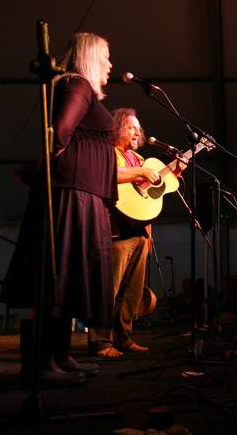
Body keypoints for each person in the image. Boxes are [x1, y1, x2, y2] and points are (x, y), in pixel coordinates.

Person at [0, 32, 118, 386]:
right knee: (60, 276)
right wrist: (40, 168)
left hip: (83, 194)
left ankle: (61, 355)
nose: (111, 65)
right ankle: (42, 362)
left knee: (70, 279)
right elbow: (60, 133)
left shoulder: (81, 88)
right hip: (72, 194)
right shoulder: (77, 84)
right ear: (90, 57)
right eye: (107, 57)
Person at [88, 108, 161, 358]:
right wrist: (141, 173)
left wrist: (171, 174)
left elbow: (146, 197)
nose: (137, 132)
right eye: (131, 127)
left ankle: (124, 337)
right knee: (109, 289)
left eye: (138, 129)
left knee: (132, 291)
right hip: (116, 233)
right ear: (117, 127)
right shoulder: (109, 154)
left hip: (139, 233)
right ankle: (100, 341)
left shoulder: (140, 159)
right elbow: (108, 175)